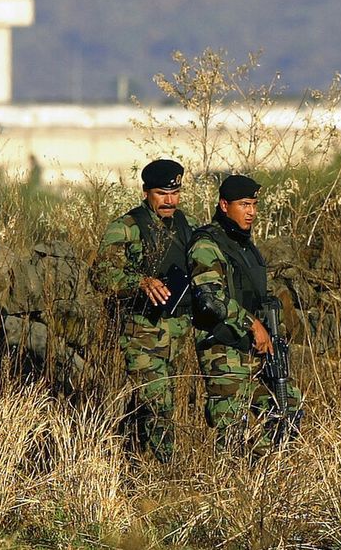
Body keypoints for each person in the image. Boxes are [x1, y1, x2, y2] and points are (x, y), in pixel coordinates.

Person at [187, 174, 302, 455]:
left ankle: (268, 479)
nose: (251, 212)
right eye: (243, 204)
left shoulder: (244, 245)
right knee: (232, 433)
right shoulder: (207, 244)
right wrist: (253, 325)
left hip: (257, 351)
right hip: (224, 350)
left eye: (254, 204)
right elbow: (210, 298)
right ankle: (232, 491)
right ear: (224, 205)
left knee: (287, 409)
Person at [94, 159, 197, 462]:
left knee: (154, 403)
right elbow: (100, 275)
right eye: (162, 193)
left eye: (175, 193)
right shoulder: (126, 227)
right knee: (158, 402)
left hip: (175, 332)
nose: (170, 201)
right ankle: (167, 468)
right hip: (140, 331)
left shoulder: (181, 224)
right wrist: (140, 282)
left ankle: (128, 458)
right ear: (145, 192)